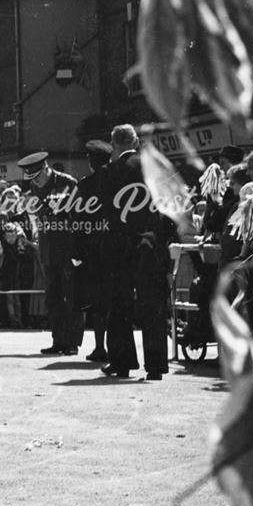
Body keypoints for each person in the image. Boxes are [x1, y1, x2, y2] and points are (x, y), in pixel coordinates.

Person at [99, 124, 170, 381]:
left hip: (120, 245)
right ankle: (156, 365)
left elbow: (104, 212)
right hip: (150, 243)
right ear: (136, 141)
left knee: (119, 304)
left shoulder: (109, 171)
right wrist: (160, 236)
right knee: (153, 303)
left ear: (112, 144)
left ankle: (122, 361)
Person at [20, 151, 83, 355]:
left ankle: (72, 342)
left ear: (46, 168)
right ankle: (58, 340)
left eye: (38, 176)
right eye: (32, 179)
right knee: (52, 297)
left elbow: (79, 215)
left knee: (71, 295)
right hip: (48, 247)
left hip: (67, 246)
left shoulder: (68, 183)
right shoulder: (33, 187)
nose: (36, 182)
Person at [73, 139, 113, 363]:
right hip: (114, 247)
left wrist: (76, 251)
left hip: (92, 251)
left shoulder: (85, 185)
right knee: (113, 299)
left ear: (91, 161)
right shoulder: (117, 181)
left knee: (97, 303)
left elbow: (77, 220)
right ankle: (115, 347)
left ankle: (100, 346)